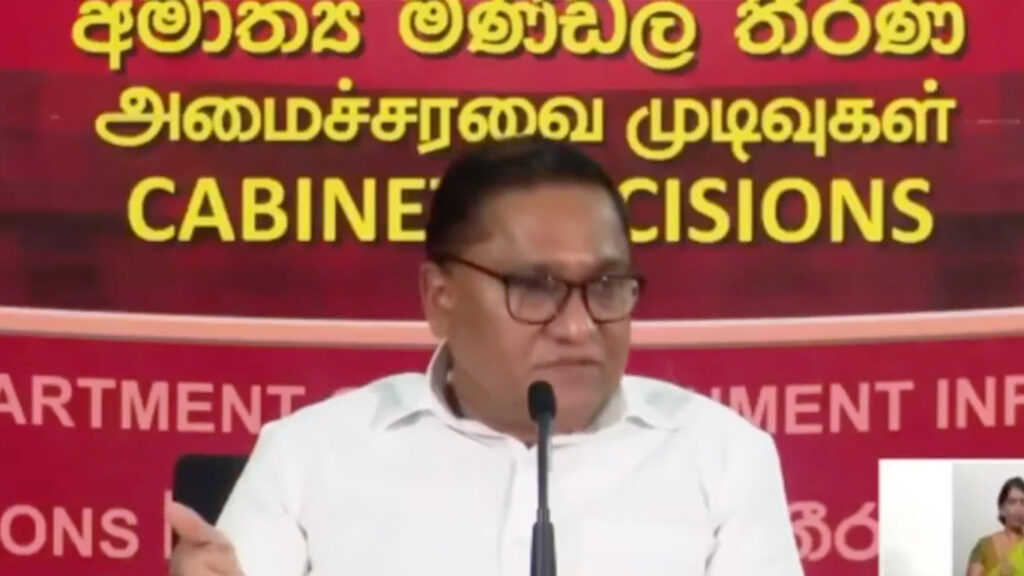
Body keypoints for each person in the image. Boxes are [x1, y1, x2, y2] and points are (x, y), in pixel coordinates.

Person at [166, 137, 805, 576]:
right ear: (439, 297)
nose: (579, 327)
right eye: (536, 288)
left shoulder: (719, 457)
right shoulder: (309, 456)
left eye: (607, 285)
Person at [967, 477, 1024, 576]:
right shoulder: (984, 545)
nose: (1019, 509)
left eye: (1023, 502)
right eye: (1012, 502)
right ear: (1002, 508)